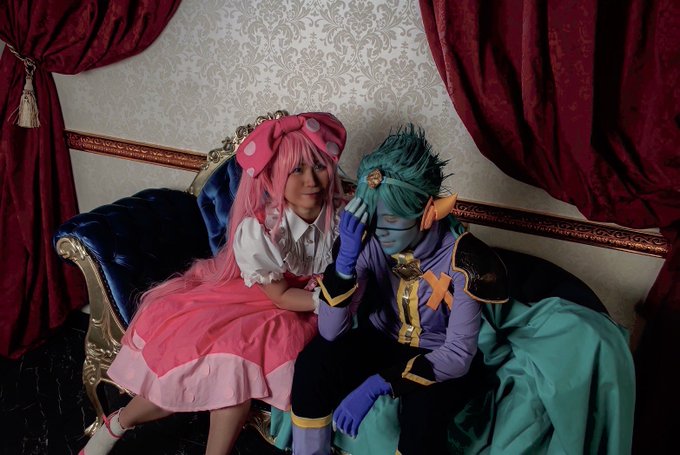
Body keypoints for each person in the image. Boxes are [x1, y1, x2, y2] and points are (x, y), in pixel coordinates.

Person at [80, 112, 348, 455]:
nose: (311, 180)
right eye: (296, 170)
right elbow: (280, 296)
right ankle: (118, 423)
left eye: (318, 166)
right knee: (214, 369)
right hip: (267, 301)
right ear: (272, 178)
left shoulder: (340, 215)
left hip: (303, 307)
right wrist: (327, 300)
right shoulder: (261, 230)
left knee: (231, 381)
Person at [290, 126, 508, 455]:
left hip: (438, 354)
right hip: (381, 340)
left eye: (392, 220)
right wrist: (345, 260)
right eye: (375, 219)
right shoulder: (368, 241)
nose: (381, 231)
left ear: (427, 213)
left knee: (423, 414)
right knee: (313, 363)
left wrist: (378, 385)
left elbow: (459, 355)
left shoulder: (465, 258)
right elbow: (331, 332)